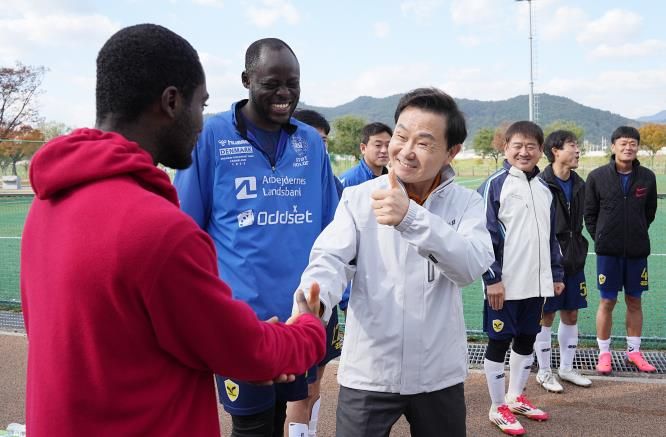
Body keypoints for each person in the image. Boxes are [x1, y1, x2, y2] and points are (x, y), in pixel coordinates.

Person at [19, 24, 326, 437]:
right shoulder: (158, 230)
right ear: (171, 102)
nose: (202, 122)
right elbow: (243, 349)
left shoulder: (47, 203)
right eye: (201, 105)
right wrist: (307, 330)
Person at [296, 87, 494, 437]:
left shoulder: (467, 203)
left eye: (424, 143)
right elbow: (330, 259)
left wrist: (411, 218)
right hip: (371, 371)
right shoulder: (359, 198)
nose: (405, 150)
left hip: (438, 373)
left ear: (452, 152)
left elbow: (469, 266)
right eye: (401, 137)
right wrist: (316, 300)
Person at [174, 38, 339, 437]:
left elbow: (332, 228)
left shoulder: (309, 143)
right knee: (251, 426)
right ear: (247, 80)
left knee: (288, 413)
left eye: (292, 83)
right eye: (271, 83)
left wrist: (332, 298)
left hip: (300, 316)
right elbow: (185, 230)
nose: (284, 94)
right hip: (240, 321)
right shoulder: (211, 136)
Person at [477, 121, 564, 436]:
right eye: (518, 145)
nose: (524, 152)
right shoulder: (495, 185)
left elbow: (551, 237)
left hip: (537, 284)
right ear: (506, 148)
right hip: (504, 286)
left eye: (531, 146)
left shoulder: (544, 189)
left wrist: (556, 273)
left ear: (541, 150)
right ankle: (496, 406)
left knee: (527, 339)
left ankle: (515, 398)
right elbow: (482, 236)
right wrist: (492, 279)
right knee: (499, 342)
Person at [584, 126, 658, 374]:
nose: (628, 147)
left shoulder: (647, 177)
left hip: (637, 252)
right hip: (608, 253)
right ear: (613, 146)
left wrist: (635, 233)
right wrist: (603, 237)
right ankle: (604, 353)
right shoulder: (597, 177)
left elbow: (649, 212)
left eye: (633, 144)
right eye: (623, 143)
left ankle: (633, 353)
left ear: (637, 147)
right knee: (607, 301)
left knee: (635, 301)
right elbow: (590, 214)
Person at [291, 109, 344, 437]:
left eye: (322, 141)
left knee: (315, 381)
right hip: (293, 300)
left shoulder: (332, 183)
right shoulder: (279, 182)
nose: (317, 147)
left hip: (324, 298)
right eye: (310, 139)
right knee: (295, 390)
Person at [534, 130, 592, 392]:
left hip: (574, 257)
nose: (577, 150)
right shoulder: (540, 183)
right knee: (546, 314)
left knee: (571, 312)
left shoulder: (580, 183)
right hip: (548, 259)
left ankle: (566, 368)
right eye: (572, 145)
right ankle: (544, 372)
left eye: (577, 145)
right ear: (555, 151)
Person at [293, 108, 344, 197]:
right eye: (312, 139)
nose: (319, 146)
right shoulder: (277, 180)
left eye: (323, 140)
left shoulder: (332, 183)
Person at [339, 122, 393, 187]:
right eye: (378, 145)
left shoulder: (392, 179)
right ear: (363, 148)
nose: (384, 150)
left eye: (388, 145)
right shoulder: (348, 181)